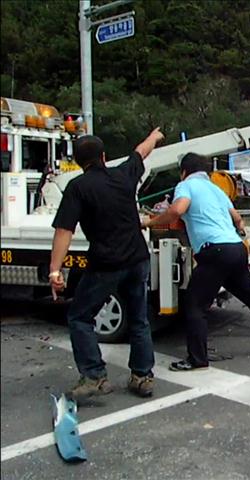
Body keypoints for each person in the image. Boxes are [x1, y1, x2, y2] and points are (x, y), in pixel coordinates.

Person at [143, 153, 250, 371]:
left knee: (194, 305)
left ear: (184, 171)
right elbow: (237, 218)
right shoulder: (216, 189)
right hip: (236, 248)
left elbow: (177, 210)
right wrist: (240, 230)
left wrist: (150, 222)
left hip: (215, 251)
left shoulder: (185, 186)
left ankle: (197, 359)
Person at [49, 128, 164, 401]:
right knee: (139, 319)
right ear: (104, 156)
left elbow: (64, 230)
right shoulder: (124, 175)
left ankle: (94, 377)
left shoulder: (77, 187)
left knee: (79, 316)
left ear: (78, 162)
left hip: (106, 264)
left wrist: (55, 270)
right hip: (138, 258)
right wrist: (155, 137)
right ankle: (142, 376)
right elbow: (141, 150)